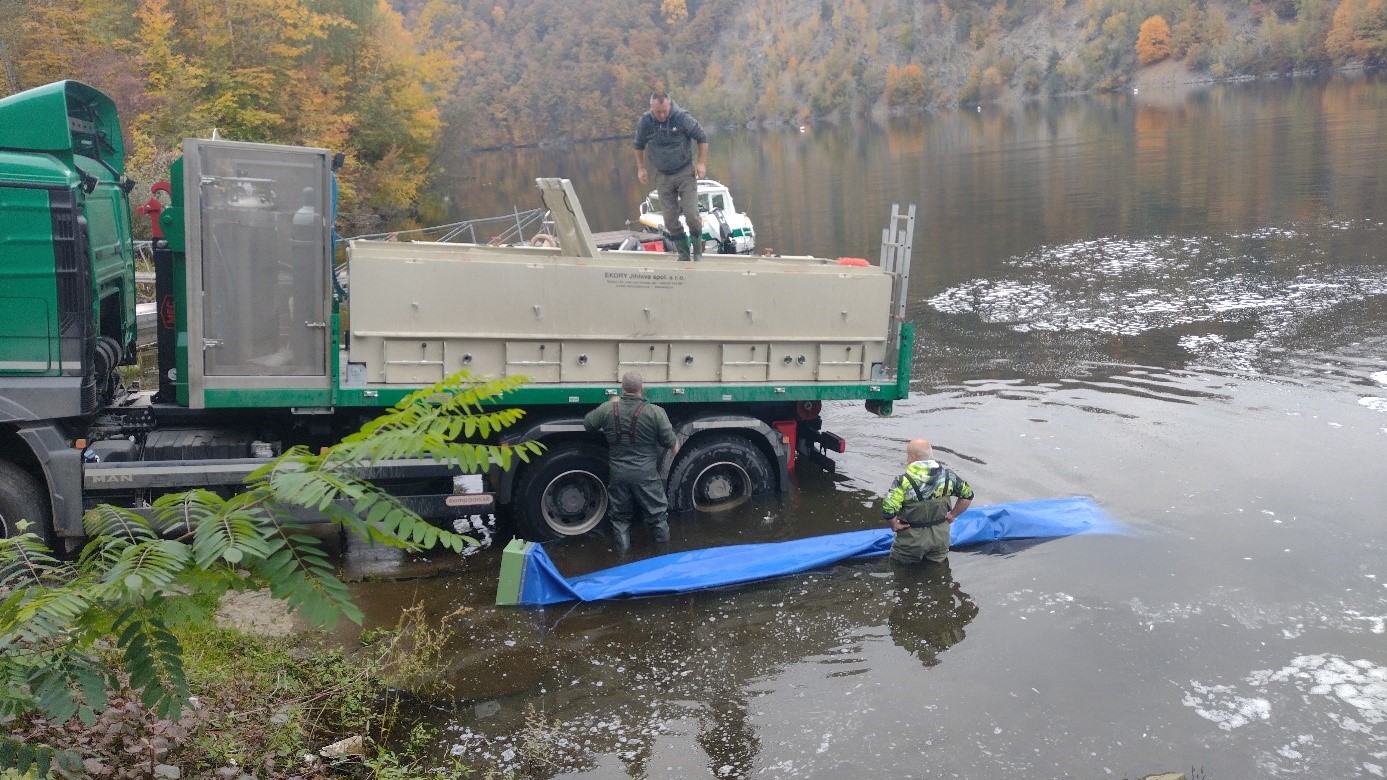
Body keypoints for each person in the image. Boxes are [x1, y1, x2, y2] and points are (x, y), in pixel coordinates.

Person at [584, 371, 679, 550]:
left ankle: (623, 557)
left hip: (618, 474)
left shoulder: (608, 409)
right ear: (642, 389)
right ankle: (664, 558)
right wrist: (676, 445)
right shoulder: (655, 412)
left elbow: (588, 423)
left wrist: (611, 404)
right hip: (646, 475)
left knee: (620, 519)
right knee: (657, 516)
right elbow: (669, 442)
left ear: (622, 388)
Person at [634, 91, 708, 262]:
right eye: (657, 112)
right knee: (669, 220)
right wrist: (641, 168)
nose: (661, 115)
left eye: (664, 111)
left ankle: (697, 252)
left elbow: (702, 138)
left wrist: (701, 163)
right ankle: (683, 253)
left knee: (691, 215)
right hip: (662, 176)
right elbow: (639, 145)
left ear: (669, 106)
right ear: (651, 108)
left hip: (684, 172)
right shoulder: (646, 121)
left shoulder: (682, 118)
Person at [880, 438, 974, 565]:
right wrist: (953, 515)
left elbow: (888, 509)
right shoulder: (948, 477)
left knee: (901, 570)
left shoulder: (903, 482)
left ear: (912, 457)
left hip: (911, 539)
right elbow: (968, 495)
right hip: (940, 537)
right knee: (938, 568)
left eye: (907, 456)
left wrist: (894, 525)